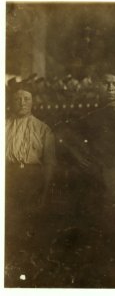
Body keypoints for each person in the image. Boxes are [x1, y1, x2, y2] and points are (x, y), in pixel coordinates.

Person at [56, 72, 115, 287]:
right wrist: (81, 159)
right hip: (96, 179)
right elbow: (65, 138)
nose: (111, 88)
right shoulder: (89, 115)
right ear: (97, 87)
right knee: (99, 227)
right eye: (106, 84)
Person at [5, 88, 56, 286]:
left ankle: (31, 275)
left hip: (32, 180)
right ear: (11, 102)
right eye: (18, 99)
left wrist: (44, 190)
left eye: (27, 99)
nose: (22, 103)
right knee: (10, 227)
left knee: (31, 227)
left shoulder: (43, 129)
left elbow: (50, 163)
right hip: (8, 180)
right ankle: (11, 275)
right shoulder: (4, 126)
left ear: (33, 102)